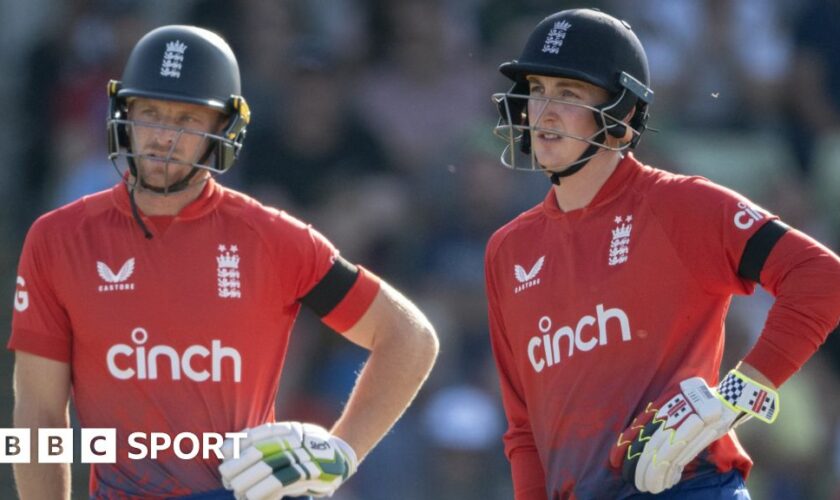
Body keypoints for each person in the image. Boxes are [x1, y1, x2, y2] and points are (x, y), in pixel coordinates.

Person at [9, 25, 438, 500]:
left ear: (223, 129)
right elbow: (37, 412)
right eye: (149, 113)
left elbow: (411, 339)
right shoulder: (57, 240)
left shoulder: (272, 239)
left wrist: (342, 451)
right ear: (123, 114)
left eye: (186, 120)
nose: (162, 137)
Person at [485, 8, 840, 499]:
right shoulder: (507, 251)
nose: (542, 112)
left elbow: (822, 277)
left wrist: (736, 398)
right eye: (536, 90)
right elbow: (525, 432)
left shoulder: (680, 205)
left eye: (567, 94)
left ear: (623, 112)